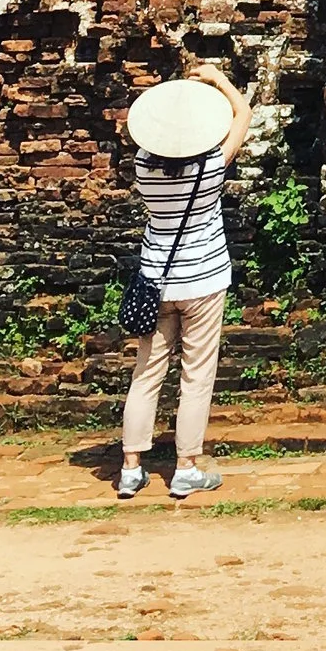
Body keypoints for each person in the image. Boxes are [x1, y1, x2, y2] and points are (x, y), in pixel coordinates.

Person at [118, 58, 251, 501]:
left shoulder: (142, 167)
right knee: (196, 375)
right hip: (205, 279)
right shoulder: (210, 165)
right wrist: (218, 80)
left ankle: (131, 469)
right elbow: (244, 115)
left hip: (157, 279)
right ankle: (186, 467)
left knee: (147, 373)